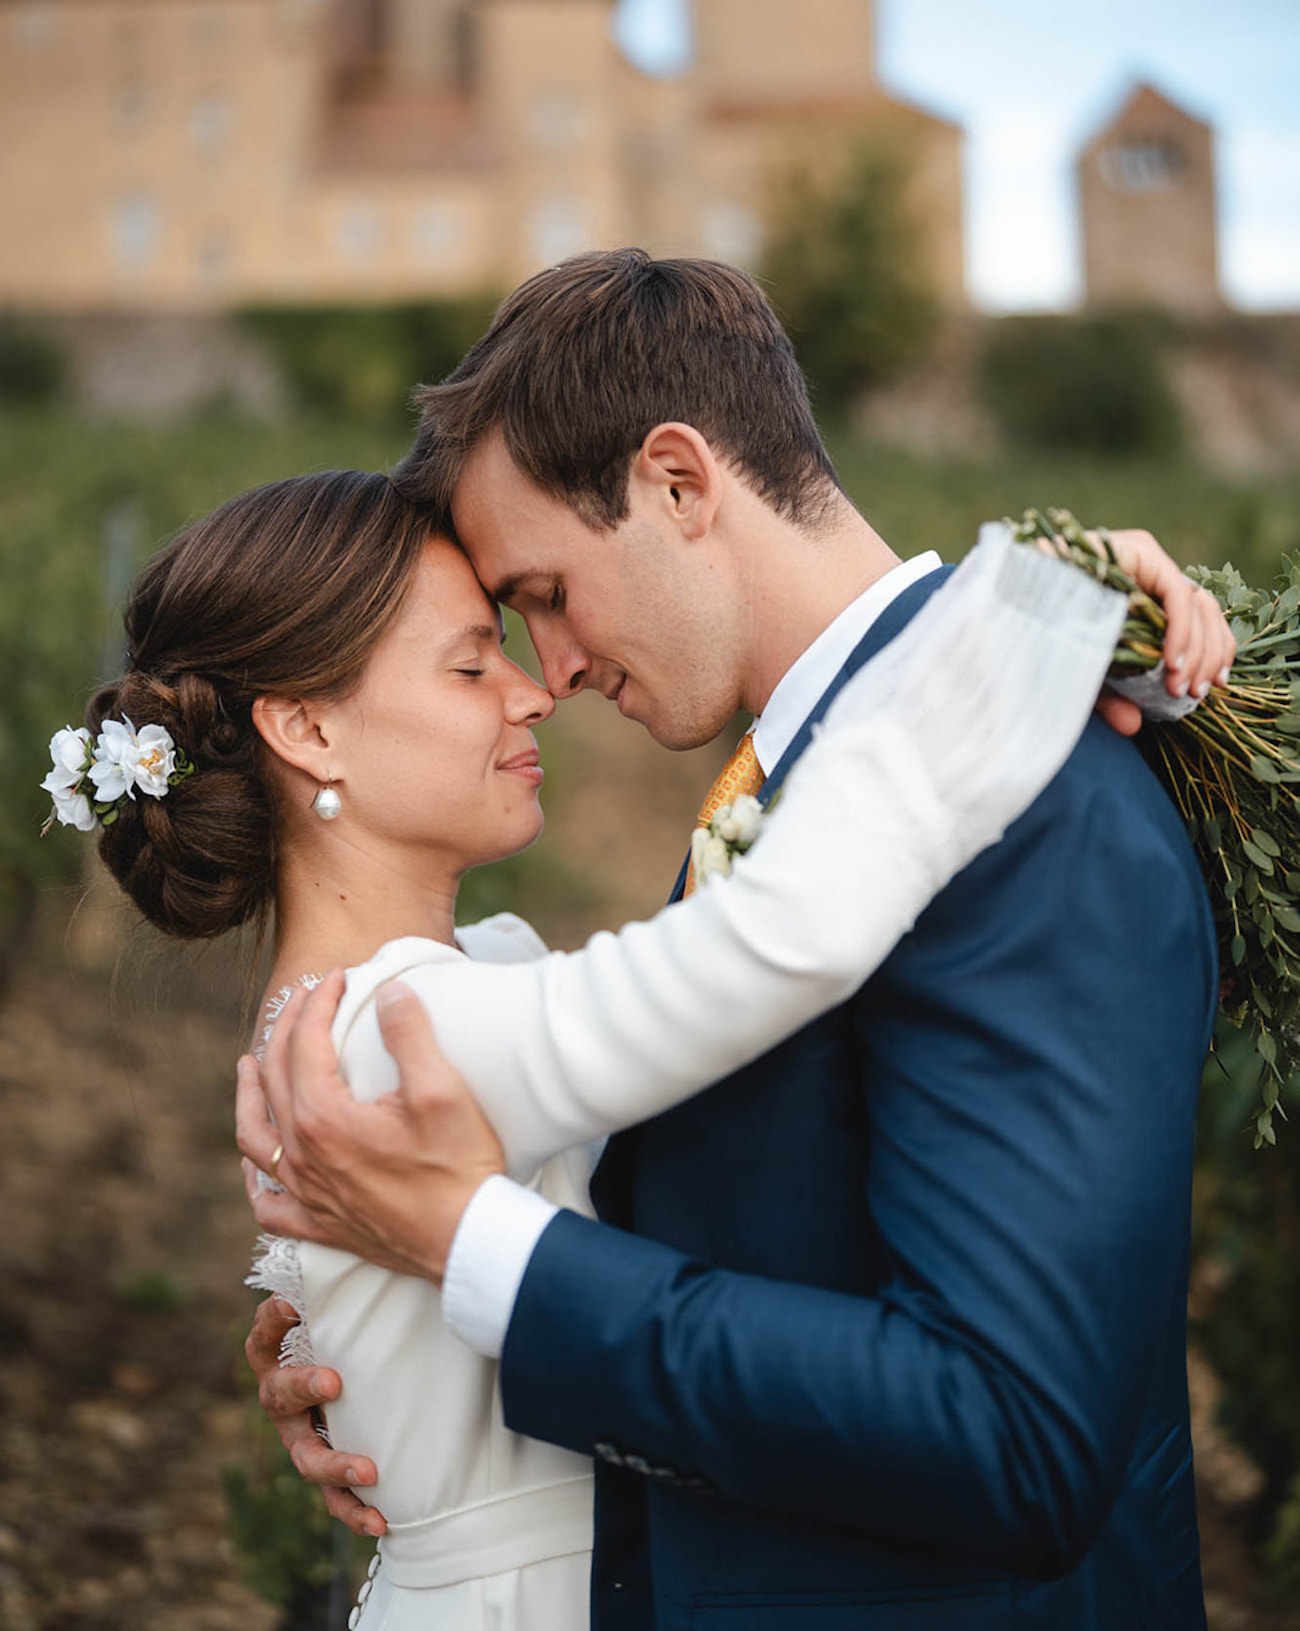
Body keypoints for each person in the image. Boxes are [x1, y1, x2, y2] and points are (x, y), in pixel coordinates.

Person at [239, 252, 1232, 1631]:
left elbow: (1014, 1436)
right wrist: (400, 1365)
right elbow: (754, 1212)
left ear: (678, 484)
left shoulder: (1014, 794)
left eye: (545, 593)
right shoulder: (822, 774)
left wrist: (483, 1261)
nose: (555, 672)